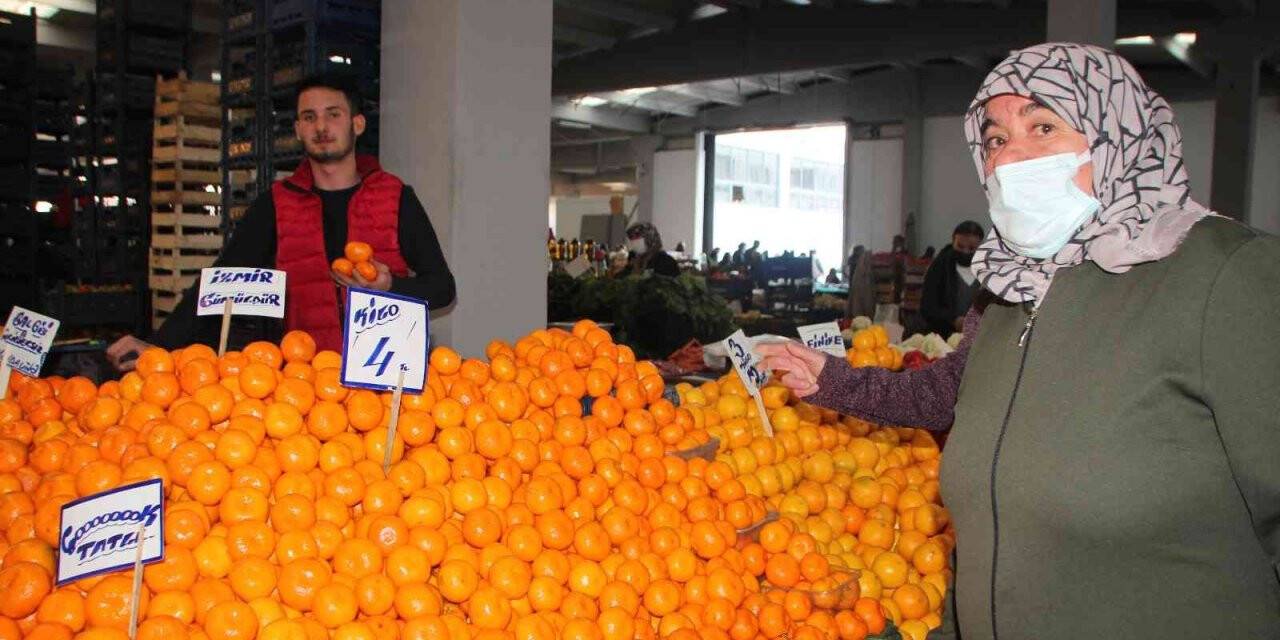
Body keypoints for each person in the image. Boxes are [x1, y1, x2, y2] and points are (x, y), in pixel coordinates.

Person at [760, 43, 1280, 639]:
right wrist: (832, 378)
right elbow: (947, 394)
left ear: (1117, 133)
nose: (1012, 160)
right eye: (996, 140)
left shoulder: (1226, 277)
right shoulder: (1009, 291)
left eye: (1043, 126)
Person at [107, 73, 455, 369]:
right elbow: (220, 283)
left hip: (387, 377)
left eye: (333, 114)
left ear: (357, 123)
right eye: (308, 117)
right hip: (307, 387)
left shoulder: (395, 196)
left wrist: (389, 286)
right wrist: (158, 346)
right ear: (298, 130)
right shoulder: (277, 203)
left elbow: (442, 288)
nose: (321, 126)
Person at [920, 220, 985, 335]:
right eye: (960, 246)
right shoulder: (939, 266)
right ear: (953, 241)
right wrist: (953, 320)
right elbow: (927, 306)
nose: (965, 252)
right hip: (942, 335)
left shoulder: (989, 270)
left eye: (971, 249)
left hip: (979, 336)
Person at [844, 245, 875, 319]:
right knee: (857, 304)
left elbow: (845, 270)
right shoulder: (858, 261)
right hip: (857, 284)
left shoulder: (853, 260)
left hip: (855, 284)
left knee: (855, 303)